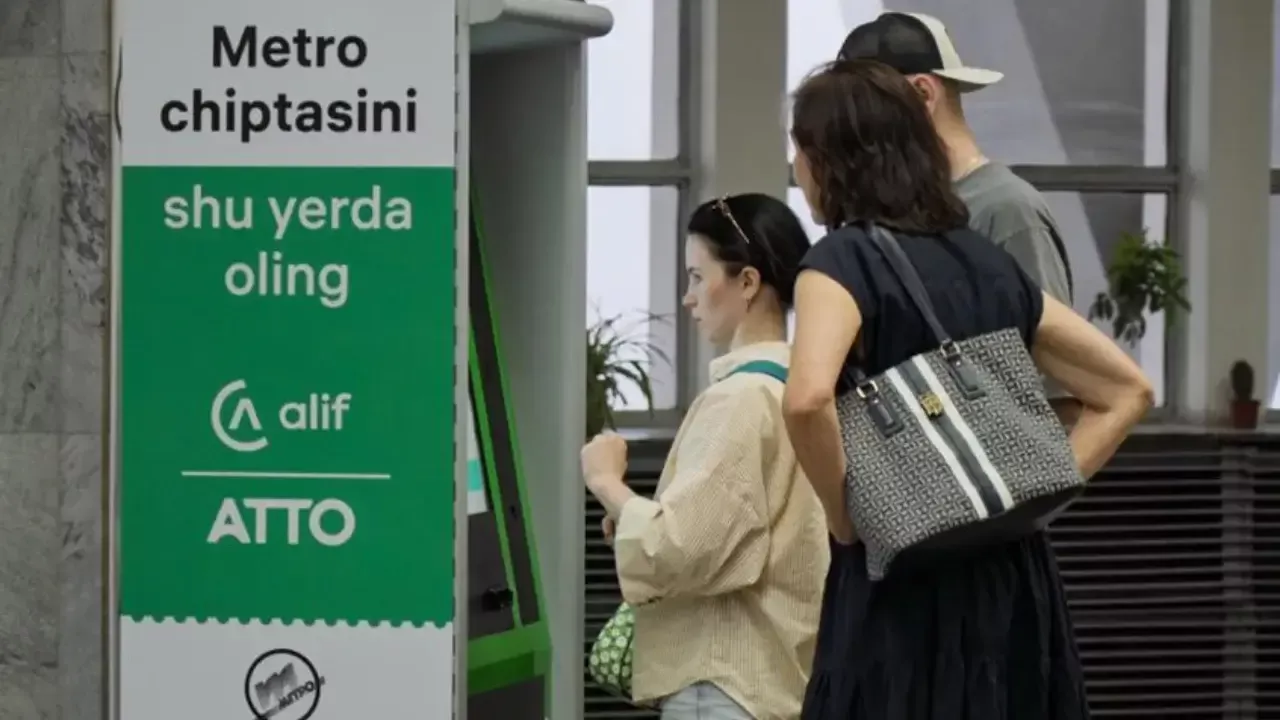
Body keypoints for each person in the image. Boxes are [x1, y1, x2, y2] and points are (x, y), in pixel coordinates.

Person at [781, 60, 1154, 719]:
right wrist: (1036, 490)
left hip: (904, 584)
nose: (795, 165)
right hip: (1014, 579)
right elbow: (1127, 390)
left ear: (834, 157)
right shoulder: (985, 259)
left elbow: (808, 398)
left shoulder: (840, 262)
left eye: (801, 144)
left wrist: (847, 519)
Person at [582, 193, 830, 720]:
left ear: (747, 282)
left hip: (719, 684)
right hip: (779, 679)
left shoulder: (738, 401)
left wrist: (608, 483)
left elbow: (677, 549)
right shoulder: (801, 392)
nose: (688, 298)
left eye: (697, 277)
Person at [836, 11, 1082, 427]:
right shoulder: (889, 215)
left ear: (922, 95)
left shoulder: (1007, 210)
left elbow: (1060, 382)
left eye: (863, 109)